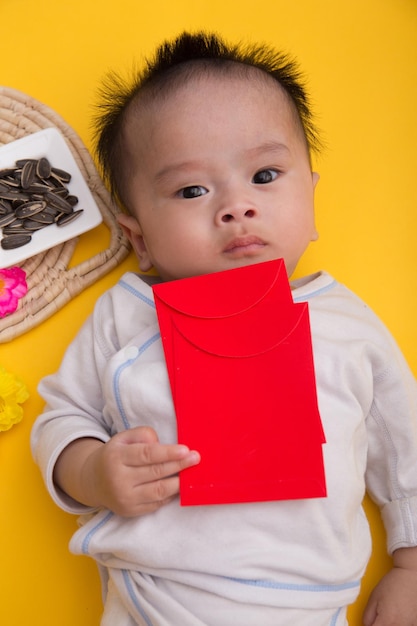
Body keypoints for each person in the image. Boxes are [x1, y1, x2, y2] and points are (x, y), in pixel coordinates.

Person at [31, 31, 417, 626]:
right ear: (138, 238)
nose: (236, 206)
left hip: (308, 605)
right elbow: (62, 415)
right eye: (192, 190)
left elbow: (405, 447)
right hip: (156, 598)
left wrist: (411, 566)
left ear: (311, 201)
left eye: (265, 175)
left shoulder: (345, 324)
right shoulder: (126, 312)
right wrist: (92, 472)